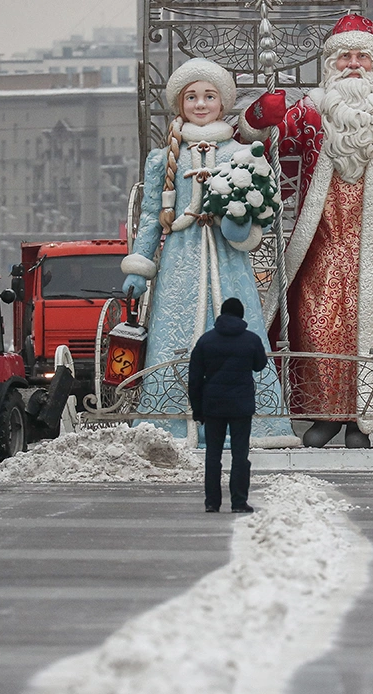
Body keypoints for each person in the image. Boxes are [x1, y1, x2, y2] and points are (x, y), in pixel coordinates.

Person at [239, 13, 373, 448]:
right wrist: (261, 115)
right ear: (330, 64)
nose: (353, 64)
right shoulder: (313, 111)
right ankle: (324, 414)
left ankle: (366, 418)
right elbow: (259, 145)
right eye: (344, 57)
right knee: (315, 329)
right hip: (318, 245)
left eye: (361, 57)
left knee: (372, 328)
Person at [121, 58, 291, 445]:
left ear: (223, 102)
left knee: (236, 335)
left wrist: (240, 222)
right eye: (192, 97)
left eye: (209, 96)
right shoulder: (161, 159)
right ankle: (171, 423)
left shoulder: (241, 155)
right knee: (175, 338)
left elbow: (258, 218)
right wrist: (139, 267)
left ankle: (246, 424)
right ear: (180, 104)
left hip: (229, 262)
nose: (200, 104)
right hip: (180, 261)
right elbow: (151, 217)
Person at [188, 298, 264, 513]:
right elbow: (260, 365)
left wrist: (197, 409)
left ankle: (212, 502)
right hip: (241, 405)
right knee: (240, 455)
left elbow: (194, 378)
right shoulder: (251, 340)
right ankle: (239, 502)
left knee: (213, 455)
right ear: (241, 315)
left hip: (213, 405)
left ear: (222, 314)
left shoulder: (206, 340)